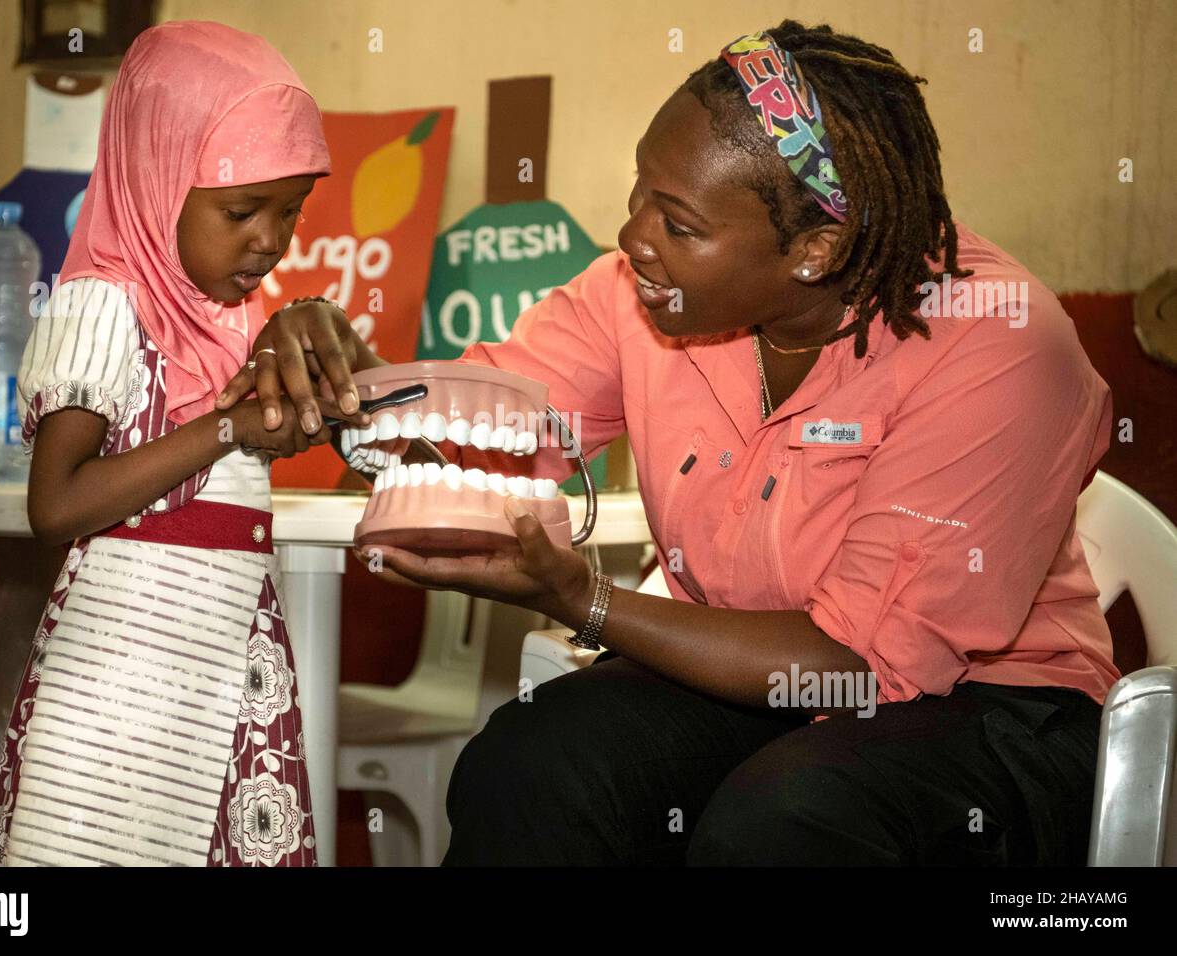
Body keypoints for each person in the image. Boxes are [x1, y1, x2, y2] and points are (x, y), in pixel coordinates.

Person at [218, 21, 1119, 865]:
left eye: (678, 224)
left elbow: (856, 666)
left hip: (989, 713)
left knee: (784, 825)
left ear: (815, 247)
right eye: (639, 192)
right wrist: (327, 367)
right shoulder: (641, 298)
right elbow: (464, 423)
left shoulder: (994, 343)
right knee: (530, 766)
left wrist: (586, 599)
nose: (632, 237)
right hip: (749, 690)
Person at [0, 21, 370, 867]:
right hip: (121, 675)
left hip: (227, 659)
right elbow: (59, 503)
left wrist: (322, 404)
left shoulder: (239, 326)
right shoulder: (99, 307)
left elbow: (244, 464)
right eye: (242, 210)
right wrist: (226, 428)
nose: (270, 240)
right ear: (158, 175)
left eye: (291, 212)